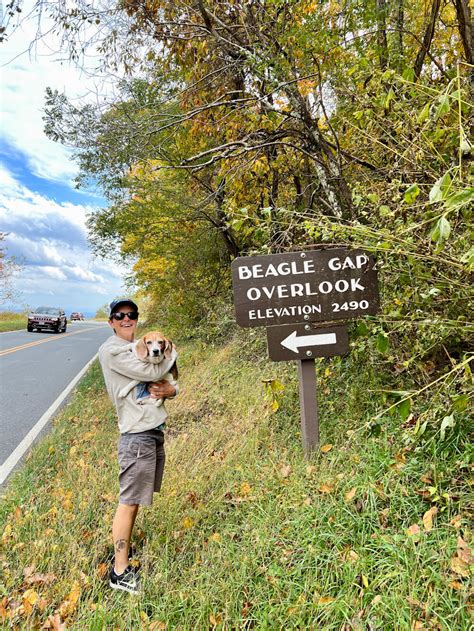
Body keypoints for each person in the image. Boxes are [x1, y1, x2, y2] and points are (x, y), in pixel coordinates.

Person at [98, 298, 178, 594]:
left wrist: (173, 390)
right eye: (120, 316)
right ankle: (119, 571)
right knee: (129, 501)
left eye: (131, 314)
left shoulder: (139, 348)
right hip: (137, 436)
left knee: (136, 500)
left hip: (153, 431)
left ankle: (123, 555)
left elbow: (166, 381)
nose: (126, 319)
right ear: (111, 322)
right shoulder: (111, 350)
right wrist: (173, 351)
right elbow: (152, 371)